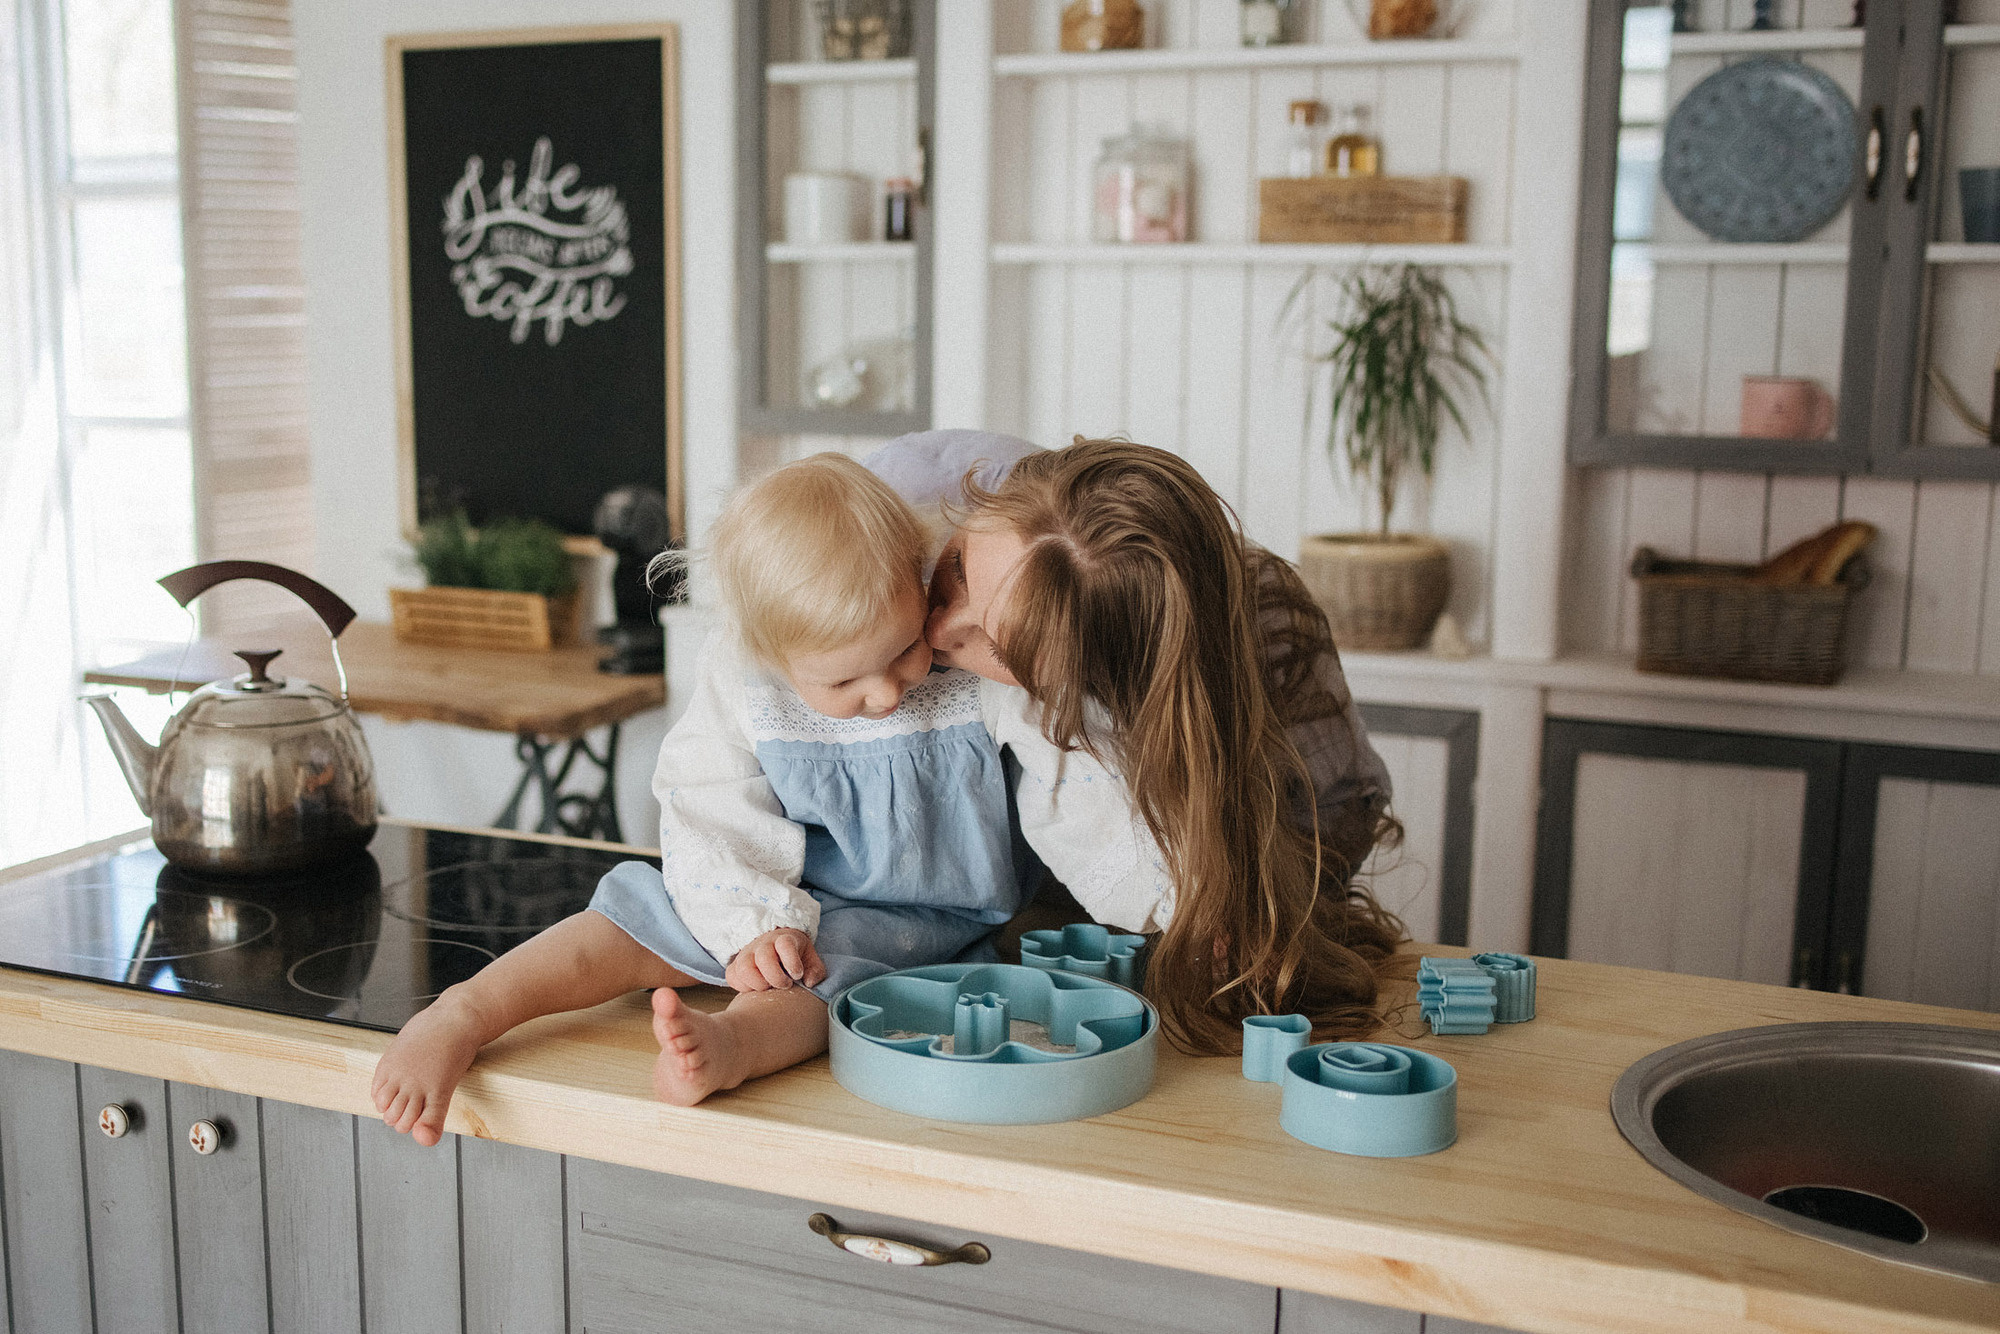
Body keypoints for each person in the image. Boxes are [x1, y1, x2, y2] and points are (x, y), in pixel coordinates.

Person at [370, 453, 1168, 1144]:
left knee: (830, 986)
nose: (888, 693)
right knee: (629, 915)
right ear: (773, 656)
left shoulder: (974, 668)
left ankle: (730, 1049)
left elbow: (1076, 781)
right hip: (772, 887)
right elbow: (709, 801)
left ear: (913, 581)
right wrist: (753, 921)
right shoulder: (745, 677)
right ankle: (464, 1014)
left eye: (901, 650)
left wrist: (1164, 903)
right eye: (845, 680)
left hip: (919, 917)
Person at [867, 431, 1405, 1054]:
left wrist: (1211, 907)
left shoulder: (1274, 634)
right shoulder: (893, 500)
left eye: (1005, 650)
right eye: (959, 565)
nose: (935, 629)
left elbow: (1326, 846)